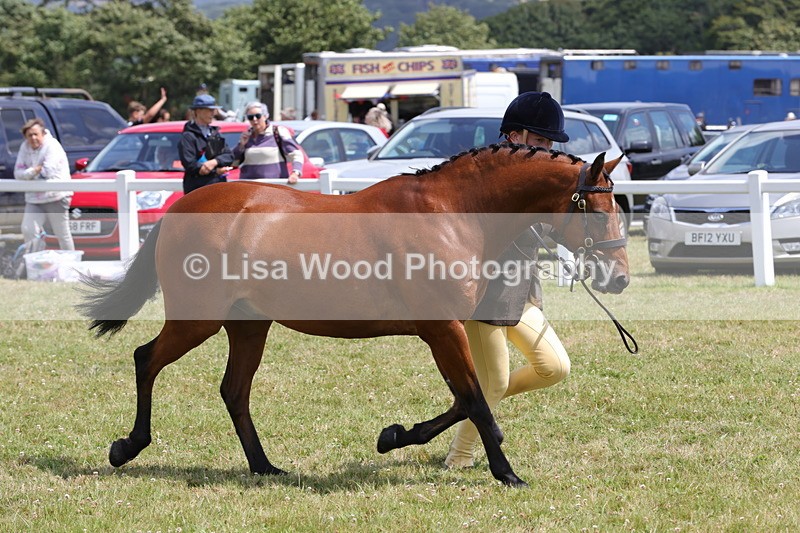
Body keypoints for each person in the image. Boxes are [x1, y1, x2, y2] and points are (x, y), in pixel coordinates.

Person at [445, 92, 571, 468]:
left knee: (554, 367)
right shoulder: (484, 173)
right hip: (485, 297)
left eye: (549, 143)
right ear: (514, 137)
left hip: (521, 294)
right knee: (494, 383)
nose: (547, 150)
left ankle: (472, 400)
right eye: (540, 142)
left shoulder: (537, 177)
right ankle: (460, 455)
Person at [13, 118, 74, 250]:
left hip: (56, 196)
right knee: (28, 229)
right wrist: (35, 170)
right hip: (34, 198)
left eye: (36, 134)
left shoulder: (53, 145)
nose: (33, 138)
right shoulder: (24, 146)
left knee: (62, 234)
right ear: (25, 136)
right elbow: (17, 173)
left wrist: (29, 173)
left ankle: (72, 266)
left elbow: (47, 172)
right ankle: (35, 264)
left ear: (43, 134)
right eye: (29, 135)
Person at [232, 102, 303, 185]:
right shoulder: (246, 135)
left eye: (258, 116)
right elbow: (233, 163)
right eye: (250, 117)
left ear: (265, 116)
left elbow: (296, 155)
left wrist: (295, 173)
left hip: (274, 188)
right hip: (250, 189)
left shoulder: (278, 132)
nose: (255, 119)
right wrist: (241, 145)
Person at [178, 94, 235, 194]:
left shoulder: (215, 133)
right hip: (196, 191)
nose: (213, 113)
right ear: (198, 111)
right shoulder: (188, 136)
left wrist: (214, 162)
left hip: (218, 189)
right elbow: (190, 165)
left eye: (213, 110)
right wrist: (216, 171)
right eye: (210, 110)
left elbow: (229, 156)